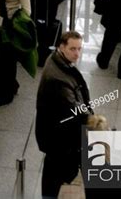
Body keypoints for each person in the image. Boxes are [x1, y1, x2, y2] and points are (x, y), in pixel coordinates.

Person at [36, 31, 92, 198]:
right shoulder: (58, 79)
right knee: (56, 173)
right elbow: (74, 109)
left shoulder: (55, 60)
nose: (77, 54)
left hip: (54, 133)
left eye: (79, 49)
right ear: (61, 47)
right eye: (73, 49)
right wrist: (94, 122)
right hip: (60, 137)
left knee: (53, 172)